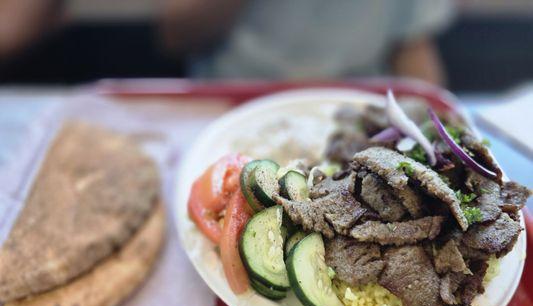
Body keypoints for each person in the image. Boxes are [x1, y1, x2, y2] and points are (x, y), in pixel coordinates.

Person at [0, 0, 454, 85]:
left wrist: (439, 130)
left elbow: (413, 44)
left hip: (361, 107)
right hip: (231, 95)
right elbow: (176, 36)